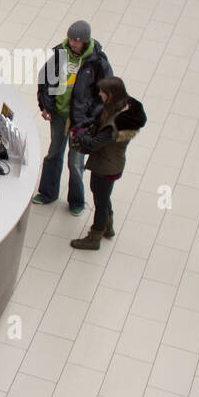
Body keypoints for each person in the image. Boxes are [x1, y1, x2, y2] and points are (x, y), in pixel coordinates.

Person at [32, 20, 113, 215]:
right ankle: (48, 192)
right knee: (53, 153)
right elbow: (44, 79)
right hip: (59, 115)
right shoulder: (60, 54)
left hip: (81, 122)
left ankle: (77, 200)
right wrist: (45, 106)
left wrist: (92, 117)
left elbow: (106, 93)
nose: (73, 43)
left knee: (76, 162)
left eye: (76, 40)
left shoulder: (98, 62)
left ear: (85, 41)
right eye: (70, 38)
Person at [71, 76, 146, 250]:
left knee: (100, 202)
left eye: (102, 92)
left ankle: (95, 237)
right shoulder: (124, 108)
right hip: (114, 162)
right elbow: (97, 119)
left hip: (105, 165)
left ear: (110, 94)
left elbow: (94, 143)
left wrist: (80, 134)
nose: (99, 94)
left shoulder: (114, 124)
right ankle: (108, 227)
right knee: (103, 196)